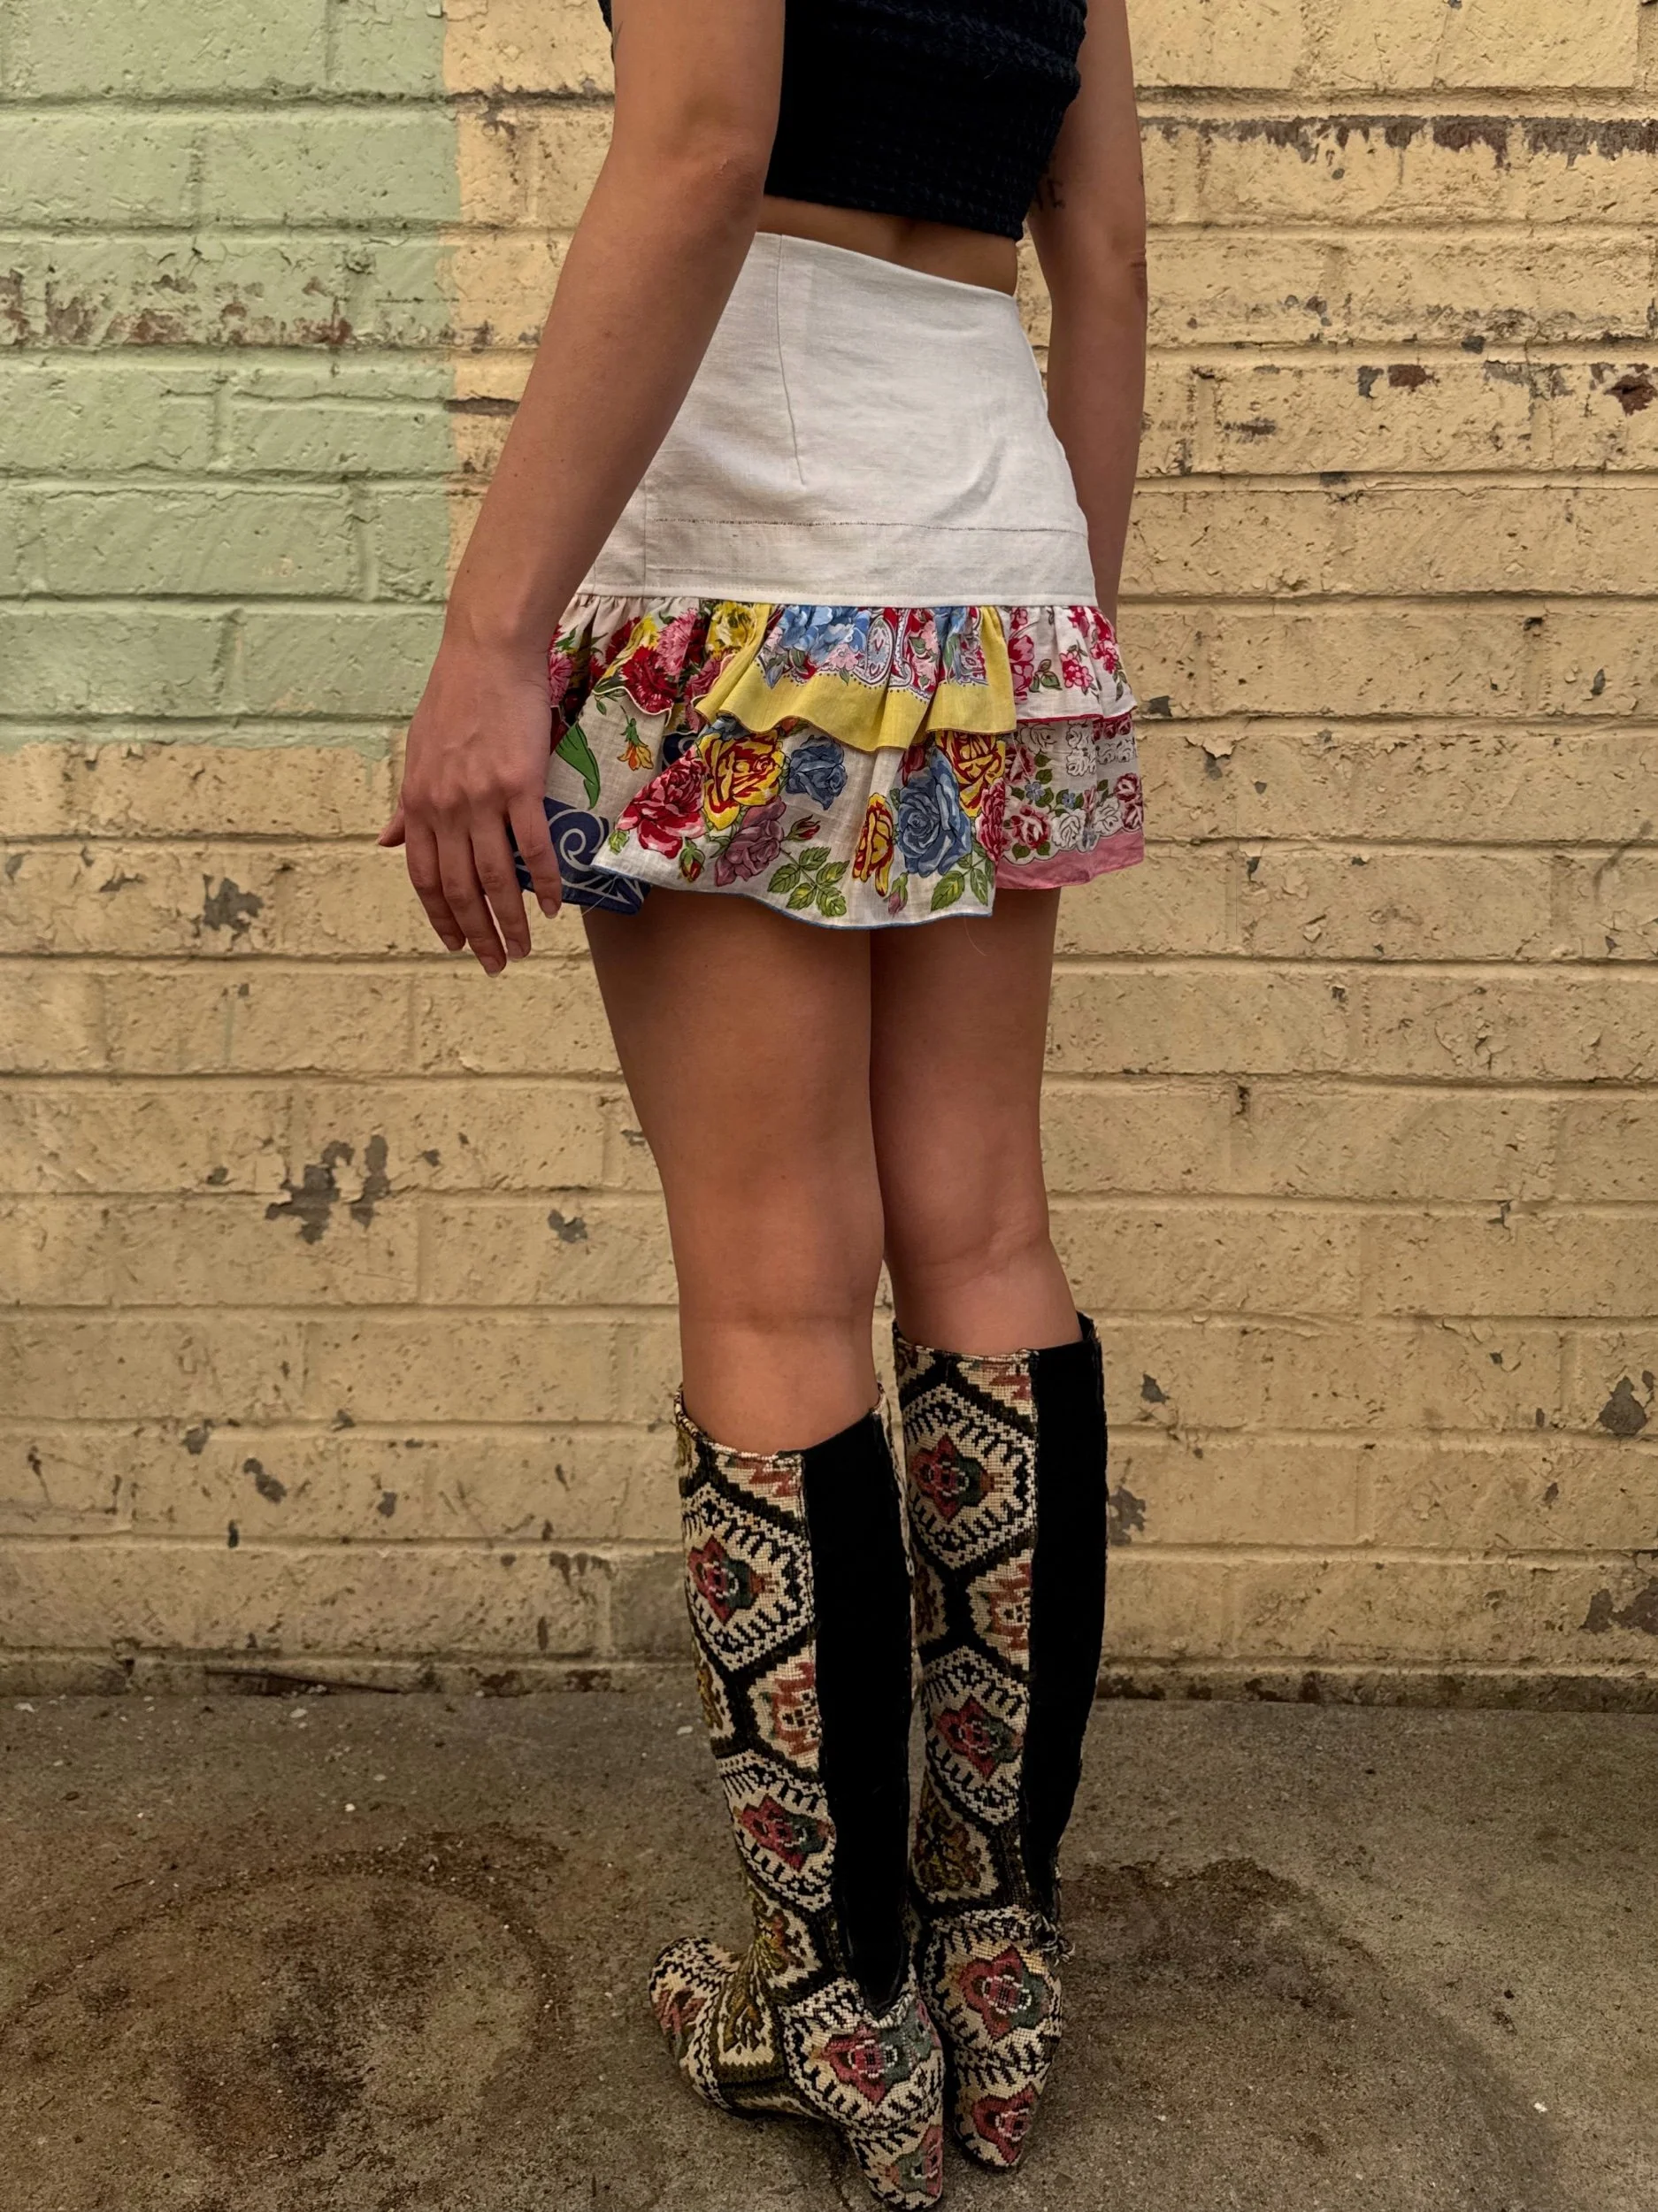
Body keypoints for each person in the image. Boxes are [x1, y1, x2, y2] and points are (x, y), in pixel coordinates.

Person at [381, 1, 1147, 2198]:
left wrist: (493, 635)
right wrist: (1051, 613)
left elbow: (707, 146)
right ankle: (994, 1967)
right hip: (996, 542)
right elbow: (1101, 253)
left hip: (742, 534)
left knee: (774, 1276)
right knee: (985, 1236)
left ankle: (836, 2006)